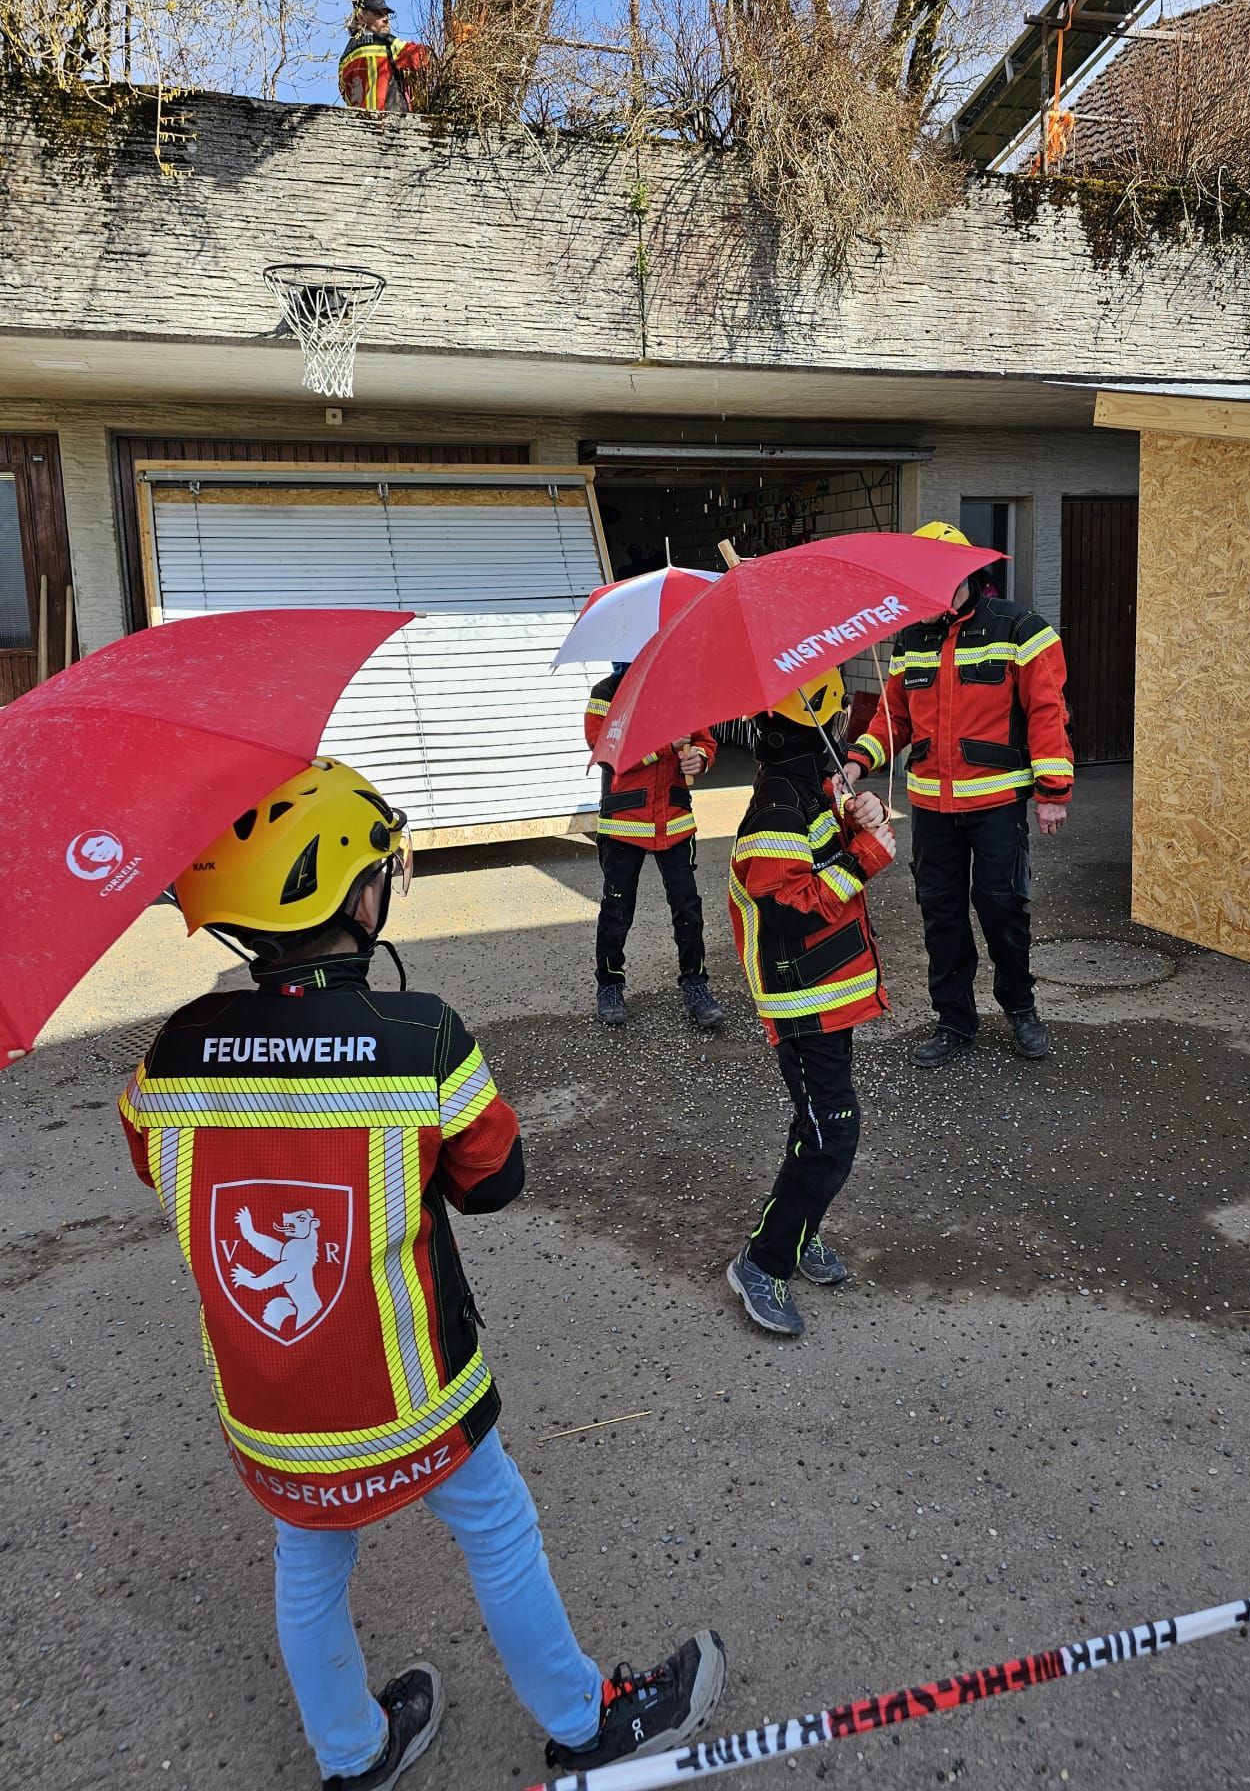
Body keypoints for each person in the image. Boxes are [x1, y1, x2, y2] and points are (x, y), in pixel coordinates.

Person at [119, 758, 726, 1788]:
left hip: (271, 1408)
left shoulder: (171, 1051)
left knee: (308, 1561)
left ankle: (353, 1754)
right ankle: (585, 1723)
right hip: (413, 1394)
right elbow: (495, 1180)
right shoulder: (420, 1036)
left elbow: (154, 1160)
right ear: (359, 899)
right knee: (497, 1526)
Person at [842, 520, 1073, 1067]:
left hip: (996, 804)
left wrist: (1053, 791)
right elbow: (893, 720)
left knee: (1002, 909)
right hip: (931, 809)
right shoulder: (910, 641)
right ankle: (953, 1021)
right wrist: (856, 762)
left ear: (961, 577)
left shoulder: (1020, 629)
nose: (914, 597)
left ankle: (1021, 1009)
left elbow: (1047, 712)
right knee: (940, 914)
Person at [725, 671, 895, 1337]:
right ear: (820, 722)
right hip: (804, 1002)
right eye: (839, 714)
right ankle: (763, 1262)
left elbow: (818, 856)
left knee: (816, 1126)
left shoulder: (807, 789)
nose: (846, 725)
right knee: (833, 1135)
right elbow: (789, 909)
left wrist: (855, 818)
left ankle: (797, 1232)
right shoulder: (777, 806)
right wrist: (865, 859)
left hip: (828, 994)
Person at [584, 663, 727, 1031]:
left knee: (688, 909)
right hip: (623, 824)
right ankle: (610, 986)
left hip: (675, 823)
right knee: (616, 910)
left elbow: (705, 741)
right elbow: (604, 749)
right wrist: (665, 746)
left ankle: (695, 985)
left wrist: (700, 758)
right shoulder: (606, 693)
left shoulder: (681, 691)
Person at [338, 0, 433, 114]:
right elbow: (422, 57)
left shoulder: (344, 58)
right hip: (390, 119)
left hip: (358, 122)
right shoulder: (384, 42)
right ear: (361, 17)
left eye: (386, 14)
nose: (386, 19)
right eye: (378, 14)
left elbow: (346, 94)